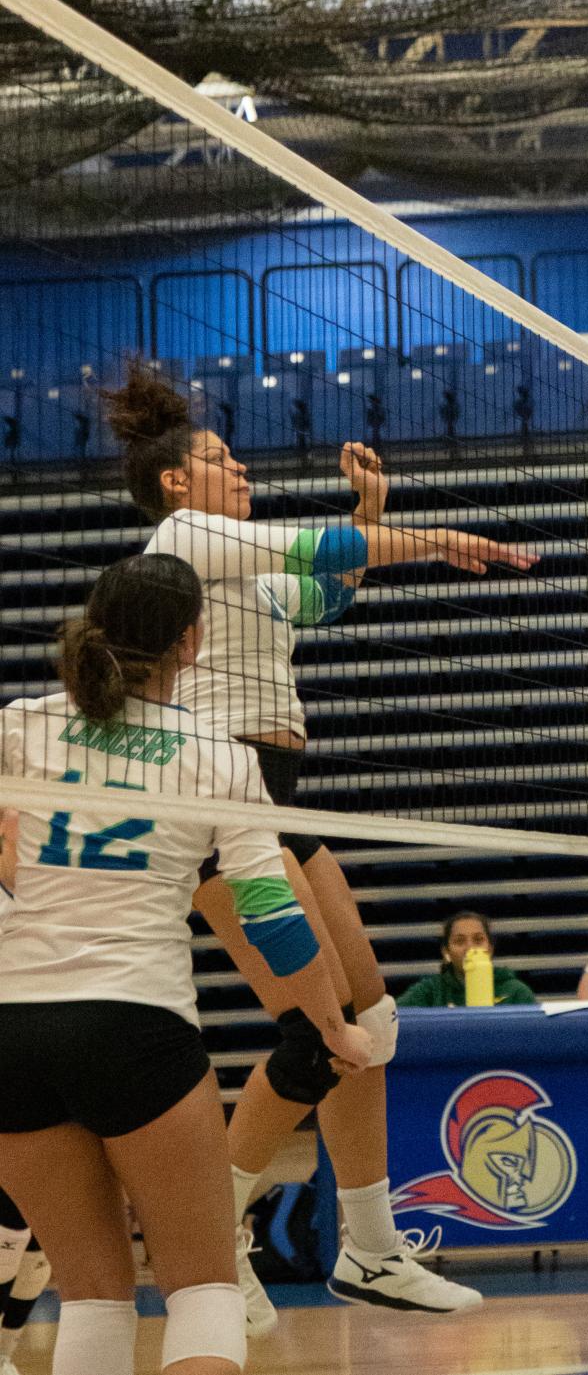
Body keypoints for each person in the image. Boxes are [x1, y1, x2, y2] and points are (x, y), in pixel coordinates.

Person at [103, 362, 535, 1332]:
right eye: (220, 458)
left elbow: (327, 590)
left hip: (279, 796)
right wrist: (427, 536)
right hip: (215, 802)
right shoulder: (185, 537)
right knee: (318, 1031)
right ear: (177, 483)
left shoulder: (237, 566)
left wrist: (370, 509)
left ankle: (372, 1251)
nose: (242, 466)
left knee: (369, 1024)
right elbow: (322, 543)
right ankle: (210, 1238)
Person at [0, 553, 371, 1375]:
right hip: (136, 1024)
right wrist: (329, 1024)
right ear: (193, 642)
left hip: (13, 1030)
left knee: (92, 1293)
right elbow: (273, 919)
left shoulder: (17, 724)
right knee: (203, 1286)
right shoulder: (218, 755)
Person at [0, 813, 51, 1375]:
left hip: (53, 1062)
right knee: (12, 1220)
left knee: (42, 1242)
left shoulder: (61, 899)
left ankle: (6, 1352)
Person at [398, 911, 538, 1007]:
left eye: (478, 940)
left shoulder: (516, 991)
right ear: (446, 952)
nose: (470, 948)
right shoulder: (429, 991)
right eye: (459, 941)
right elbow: (391, 1022)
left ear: (490, 948)